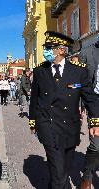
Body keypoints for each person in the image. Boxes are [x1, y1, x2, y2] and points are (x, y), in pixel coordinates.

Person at [29, 31, 99, 189]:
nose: (45, 51)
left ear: (61, 50)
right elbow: (34, 99)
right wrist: (33, 121)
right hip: (48, 126)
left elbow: (90, 98)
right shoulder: (40, 71)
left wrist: (95, 121)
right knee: (59, 174)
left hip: (70, 128)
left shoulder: (79, 71)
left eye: (49, 47)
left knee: (63, 170)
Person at [80, 38, 99, 189]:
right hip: (95, 104)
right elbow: (83, 85)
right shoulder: (86, 53)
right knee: (96, 143)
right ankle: (87, 175)